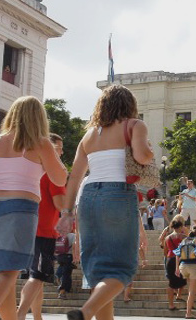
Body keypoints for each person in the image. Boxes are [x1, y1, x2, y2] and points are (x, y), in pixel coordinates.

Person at [0, 96, 68, 320]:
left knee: (2, 271)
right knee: (7, 274)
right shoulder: (40, 142)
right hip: (20, 208)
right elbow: (60, 178)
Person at [58, 85, 152, 320]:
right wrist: (149, 151)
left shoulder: (88, 135)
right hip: (118, 193)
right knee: (122, 268)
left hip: (88, 197)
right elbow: (142, 157)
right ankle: (85, 312)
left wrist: (67, 213)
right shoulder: (135, 125)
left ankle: (89, 312)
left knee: (99, 272)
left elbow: (74, 178)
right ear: (129, 105)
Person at [17, 133, 66, 320]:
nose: (61, 152)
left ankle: (37, 317)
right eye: (59, 148)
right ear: (49, 148)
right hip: (43, 229)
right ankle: (20, 314)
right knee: (37, 276)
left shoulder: (31, 168)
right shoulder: (53, 173)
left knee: (39, 277)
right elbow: (60, 203)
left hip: (27, 227)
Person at [164, 218, 187, 311]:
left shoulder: (167, 238)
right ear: (181, 226)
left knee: (171, 283)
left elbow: (165, 251)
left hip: (170, 259)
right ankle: (179, 294)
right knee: (183, 278)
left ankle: (171, 304)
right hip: (181, 259)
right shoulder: (184, 237)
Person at [55, 230, 77, 299]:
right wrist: (75, 257)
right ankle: (62, 291)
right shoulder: (73, 235)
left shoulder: (59, 234)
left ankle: (68, 287)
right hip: (68, 256)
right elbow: (73, 247)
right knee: (66, 274)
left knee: (65, 272)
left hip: (60, 256)